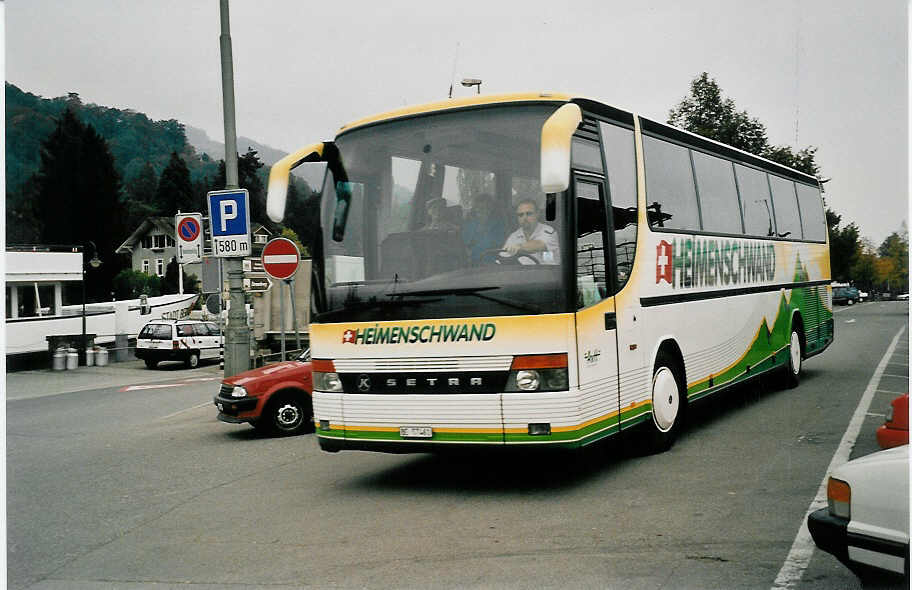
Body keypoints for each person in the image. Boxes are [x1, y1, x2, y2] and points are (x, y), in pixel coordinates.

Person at [502, 198, 559, 264]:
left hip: (547, 272)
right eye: (521, 215)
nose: (524, 218)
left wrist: (519, 247)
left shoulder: (549, 231)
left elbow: (539, 245)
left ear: (538, 214)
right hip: (521, 273)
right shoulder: (513, 236)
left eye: (529, 214)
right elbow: (503, 257)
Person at [462, 193, 505, 265]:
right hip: (472, 263)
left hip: (492, 262)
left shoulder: (498, 224)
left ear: (491, 209)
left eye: (484, 208)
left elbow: (499, 244)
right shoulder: (470, 224)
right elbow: (465, 242)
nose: (480, 211)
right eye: (477, 208)